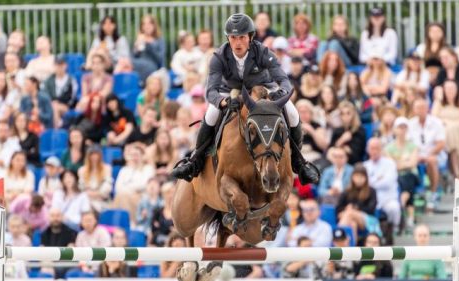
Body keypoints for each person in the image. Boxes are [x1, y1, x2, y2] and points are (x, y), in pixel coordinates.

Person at [170, 14, 319, 185]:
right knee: (211, 114)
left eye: (242, 37)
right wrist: (223, 102)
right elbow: (210, 91)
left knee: (292, 112)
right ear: (228, 38)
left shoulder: (263, 51)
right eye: (233, 37)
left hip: (263, 87)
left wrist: (282, 91)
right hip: (230, 92)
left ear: (250, 37)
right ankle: (195, 161)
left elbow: (283, 78)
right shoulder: (219, 56)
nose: (237, 42)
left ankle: (299, 163)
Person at [407, 98, 446, 209]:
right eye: (418, 108)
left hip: (435, 153)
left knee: (432, 161)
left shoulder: (436, 122)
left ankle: (433, 192)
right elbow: (408, 145)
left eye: (423, 107)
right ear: (414, 110)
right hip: (416, 154)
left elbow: (441, 143)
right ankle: (416, 192)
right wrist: (417, 156)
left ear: (427, 109)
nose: (420, 110)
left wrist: (428, 155)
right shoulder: (410, 124)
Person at [385, 117, 420, 230]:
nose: (402, 130)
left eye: (404, 127)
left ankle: (401, 209)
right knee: (404, 184)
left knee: (406, 179)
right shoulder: (388, 147)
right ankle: (408, 215)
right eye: (400, 127)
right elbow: (392, 165)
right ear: (395, 129)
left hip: (411, 175)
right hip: (396, 176)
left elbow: (413, 163)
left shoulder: (412, 146)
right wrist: (405, 162)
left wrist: (398, 163)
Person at [363, 138, 401, 232]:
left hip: (387, 198)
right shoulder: (365, 166)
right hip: (369, 199)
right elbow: (362, 184)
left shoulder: (390, 163)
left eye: (377, 148)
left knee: (394, 208)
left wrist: (371, 182)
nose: (374, 151)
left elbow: (388, 182)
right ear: (368, 150)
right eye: (372, 148)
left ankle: (394, 228)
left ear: (381, 149)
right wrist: (378, 179)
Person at [335, 166, 378, 241]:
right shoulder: (347, 191)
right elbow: (338, 209)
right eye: (357, 176)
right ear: (352, 177)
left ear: (366, 178)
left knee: (350, 213)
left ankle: (337, 237)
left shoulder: (371, 191)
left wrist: (356, 208)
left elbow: (371, 210)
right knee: (352, 224)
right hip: (348, 216)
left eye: (362, 176)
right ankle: (352, 247)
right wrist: (346, 209)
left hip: (368, 220)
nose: (359, 179)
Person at [41, 208, 77, 278]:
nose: (55, 218)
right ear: (49, 217)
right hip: (50, 262)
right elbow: (43, 251)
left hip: (66, 262)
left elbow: (70, 251)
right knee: (46, 268)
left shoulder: (70, 232)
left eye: (58, 216)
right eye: (53, 216)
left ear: (62, 217)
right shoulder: (44, 233)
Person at [44, 56, 79, 127]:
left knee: (55, 107)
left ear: (66, 65)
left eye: (61, 65)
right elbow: (45, 94)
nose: (59, 67)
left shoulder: (71, 80)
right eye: (57, 65)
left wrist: (59, 102)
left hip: (65, 105)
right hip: (51, 104)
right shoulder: (48, 80)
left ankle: (56, 129)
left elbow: (72, 97)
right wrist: (51, 102)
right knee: (53, 107)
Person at [131, 15, 166, 81]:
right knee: (124, 63)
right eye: (144, 24)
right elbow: (133, 57)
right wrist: (136, 48)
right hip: (139, 65)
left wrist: (149, 44)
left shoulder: (159, 40)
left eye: (149, 23)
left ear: (154, 25)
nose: (147, 26)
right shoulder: (139, 38)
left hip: (153, 67)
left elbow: (160, 60)